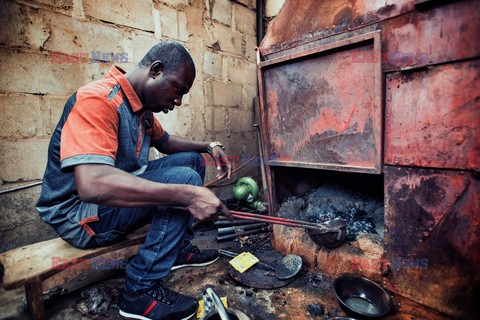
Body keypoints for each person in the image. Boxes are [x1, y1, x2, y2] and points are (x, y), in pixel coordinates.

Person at [37, 40, 233, 320]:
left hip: (107, 202)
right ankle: (138, 290)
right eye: (178, 90)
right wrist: (188, 196)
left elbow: (165, 142)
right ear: (156, 70)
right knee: (185, 180)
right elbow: (91, 184)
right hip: (78, 216)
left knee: (191, 161)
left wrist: (207, 146)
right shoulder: (98, 100)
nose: (178, 102)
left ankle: (175, 249)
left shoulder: (141, 107)